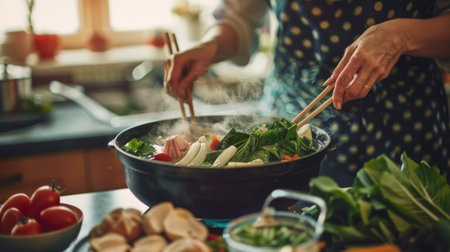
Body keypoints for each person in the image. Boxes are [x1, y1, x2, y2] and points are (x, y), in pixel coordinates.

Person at [164, 0, 450, 186]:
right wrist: (210, 45)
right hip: (292, 133)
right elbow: (238, 19)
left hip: (408, 125)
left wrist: (400, 36)